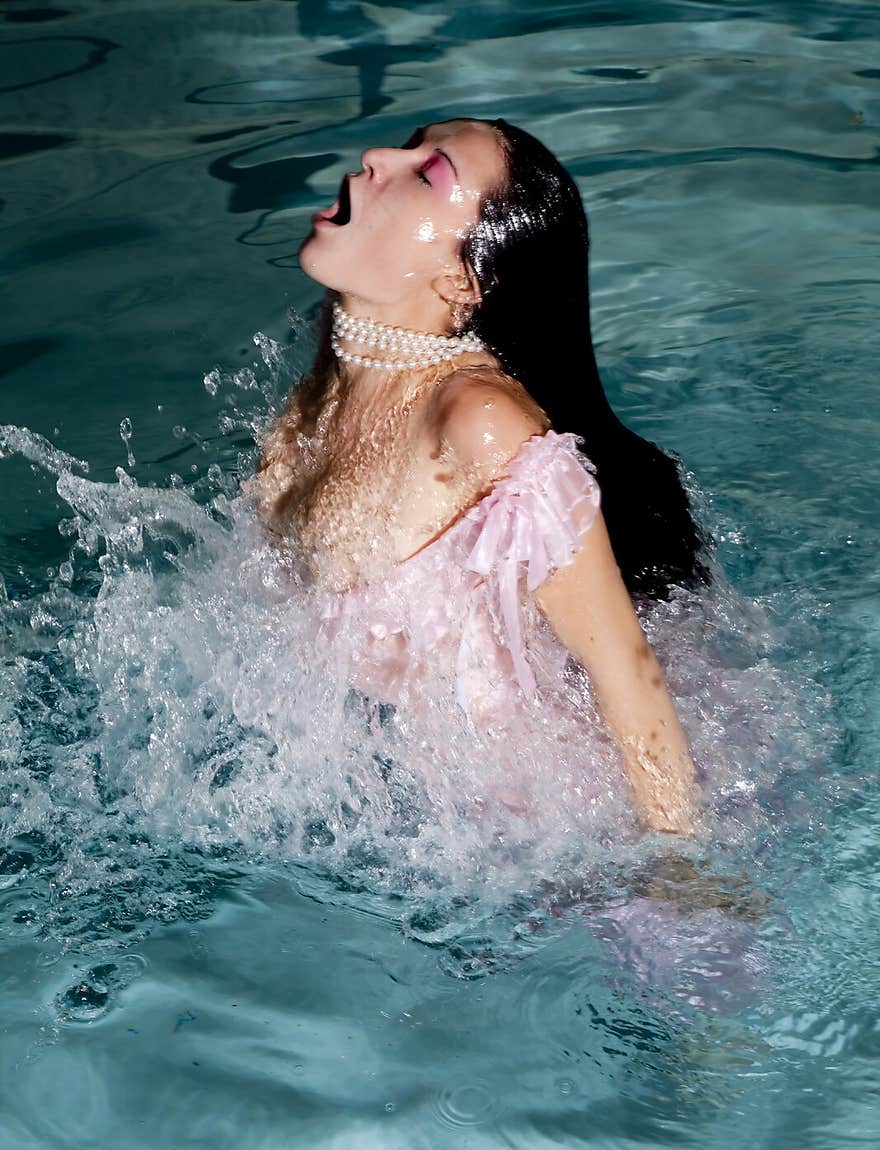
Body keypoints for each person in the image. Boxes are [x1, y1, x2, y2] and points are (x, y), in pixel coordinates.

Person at [245, 117, 712, 836]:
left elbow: (623, 666)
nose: (374, 160)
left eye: (428, 175)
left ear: (461, 280)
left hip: (550, 823)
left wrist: (682, 872)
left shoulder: (479, 422)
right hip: (398, 800)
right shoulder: (333, 384)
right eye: (406, 146)